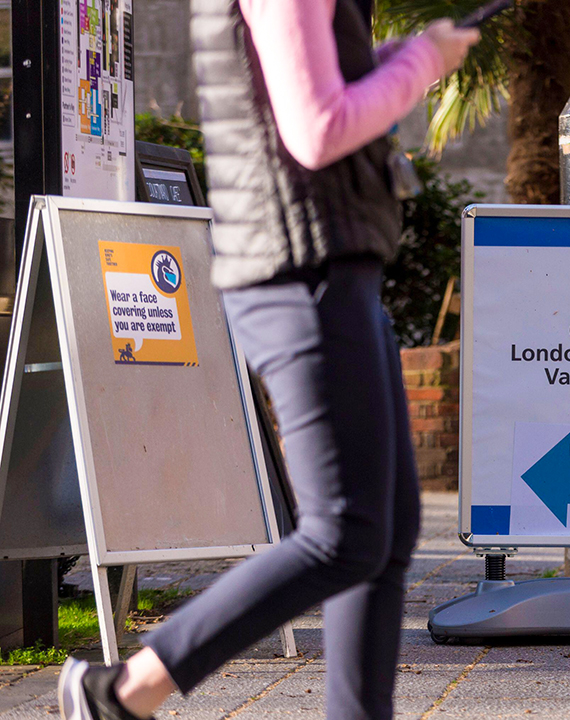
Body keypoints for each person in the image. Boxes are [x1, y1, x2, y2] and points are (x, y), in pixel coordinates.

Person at [58, 1, 478, 719]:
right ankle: (122, 690)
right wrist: (422, 63)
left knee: (383, 531)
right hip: (301, 273)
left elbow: (299, 85)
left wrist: (387, 59)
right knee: (344, 533)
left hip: (325, 268)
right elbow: (316, 131)